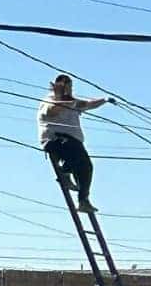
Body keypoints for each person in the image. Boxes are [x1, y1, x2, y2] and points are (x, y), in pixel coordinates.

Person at [38, 74, 115, 213]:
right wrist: (66, 101)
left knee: (86, 166)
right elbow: (51, 111)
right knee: (75, 152)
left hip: (72, 141)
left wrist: (105, 100)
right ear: (57, 87)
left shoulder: (72, 101)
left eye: (69, 85)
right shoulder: (50, 100)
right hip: (55, 139)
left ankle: (83, 200)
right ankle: (65, 173)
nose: (68, 89)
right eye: (64, 86)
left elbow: (88, 104)